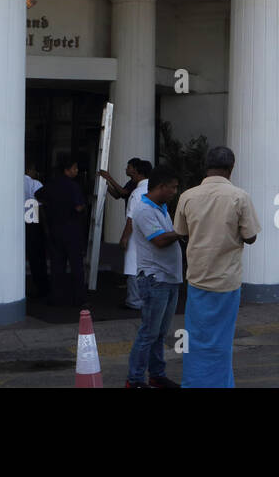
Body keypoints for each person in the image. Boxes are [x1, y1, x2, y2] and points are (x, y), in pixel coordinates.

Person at [173, 145, 261, 388]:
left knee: (196, 339)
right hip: (226, 281)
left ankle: (193, 383)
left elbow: (180, 232)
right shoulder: (239, 197)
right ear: (230, 169)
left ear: (206, 167)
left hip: (198, 279)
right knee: (221, 341)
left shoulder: (187, 196)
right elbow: (251, 236)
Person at [125, 166, 183, 388]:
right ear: (161, 187)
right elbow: (158, 240)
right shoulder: (144, 210)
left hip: (169, 278)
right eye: (173, 187)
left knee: (159, 333)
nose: (175, 191)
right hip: (155, 279)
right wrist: (182, 231)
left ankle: (157, 375)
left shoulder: (161, 207)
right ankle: (135, 380)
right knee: (148, 333)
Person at [36, 156, 88, 307]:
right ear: (67, 170)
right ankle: (80, 298)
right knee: (76, 265)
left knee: (57, 265)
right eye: (74, 168)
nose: (77, 171)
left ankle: (56, 297)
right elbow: (79, 206)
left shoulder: (51, 185)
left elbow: (38, 195)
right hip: (72, 230)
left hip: (55, 229)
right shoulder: (73, 186)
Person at [109, 159, 152, 309]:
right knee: (147, 267)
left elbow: (131, 218)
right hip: (151, 235)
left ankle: (134, 300)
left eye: (129, 167)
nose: (126, 169)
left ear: (137, 171)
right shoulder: (154, 190)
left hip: (137, 234)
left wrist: (124, 237)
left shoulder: (137, 192)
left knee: (133, 266)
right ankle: (146, 299)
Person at [23, 162, 49, 299]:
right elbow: (40, 206)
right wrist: (46, 229)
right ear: (30, 170)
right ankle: (41, 287)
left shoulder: (14, 181)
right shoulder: (35, 184)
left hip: (18, 222)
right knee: (37, 257)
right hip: (33, 219)